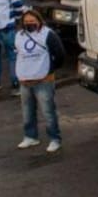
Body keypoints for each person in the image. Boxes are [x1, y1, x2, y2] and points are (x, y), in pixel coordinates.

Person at [14, 9, 65, 153]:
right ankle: (30, 136)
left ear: (39, 21)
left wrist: (49, 70)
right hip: (25, 81)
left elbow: (60, 54)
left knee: (48, 112)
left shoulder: (48, 34)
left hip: (44, 80)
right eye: (26, 22)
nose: (29, 24)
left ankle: (55, 139)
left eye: (32, 21)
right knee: (27, 112)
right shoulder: (19, 36)